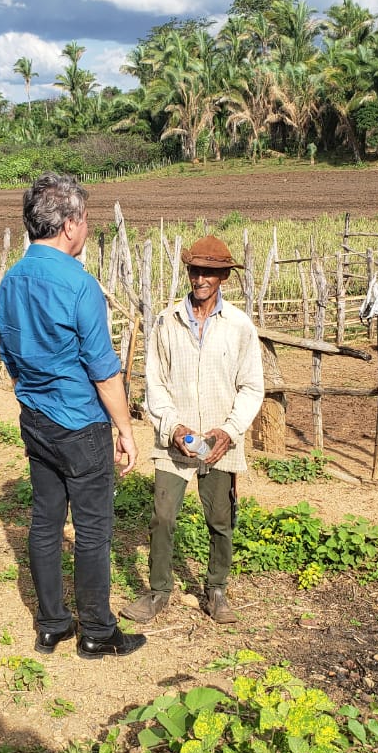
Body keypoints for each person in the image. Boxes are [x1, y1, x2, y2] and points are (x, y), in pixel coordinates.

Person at [0, 172, 146, 659]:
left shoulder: (10, 281)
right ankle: (98, 631)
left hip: (36, 418)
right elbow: (104, 372)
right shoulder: (80, 285)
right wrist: (124, 429)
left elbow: (11, 359)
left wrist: (35, 394)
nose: (86, 229)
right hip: (81, 424)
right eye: (86, 221)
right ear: (71, 225)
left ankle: (53, 623)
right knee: (94, 530)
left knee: (44, 521)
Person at [121, 236, 263, 625]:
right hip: (175, 443)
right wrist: (172, 426)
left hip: (220, 442)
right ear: (188, 272)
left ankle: (216, 590)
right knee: (163, 517)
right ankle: (158, 591)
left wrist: (229, 432)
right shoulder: (168, 321)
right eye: (195, 270)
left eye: (210, 272)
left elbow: (252, 386)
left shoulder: (238, 326)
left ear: (223, 277)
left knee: (219, 518)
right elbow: (155, 383)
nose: (201, 278)